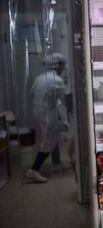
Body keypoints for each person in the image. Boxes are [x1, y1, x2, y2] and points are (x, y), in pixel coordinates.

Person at [25, 53, 68, 183]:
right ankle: (33, 170)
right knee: (48, 142)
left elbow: (32, 93)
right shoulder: (57, 80)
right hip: (47, 115)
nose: (63, 69)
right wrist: (64, 119)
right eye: (62, 66)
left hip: (37, 113)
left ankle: (56, 164)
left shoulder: (39, 78)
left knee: (49, 140)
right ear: (57, 66)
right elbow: (63, 101)